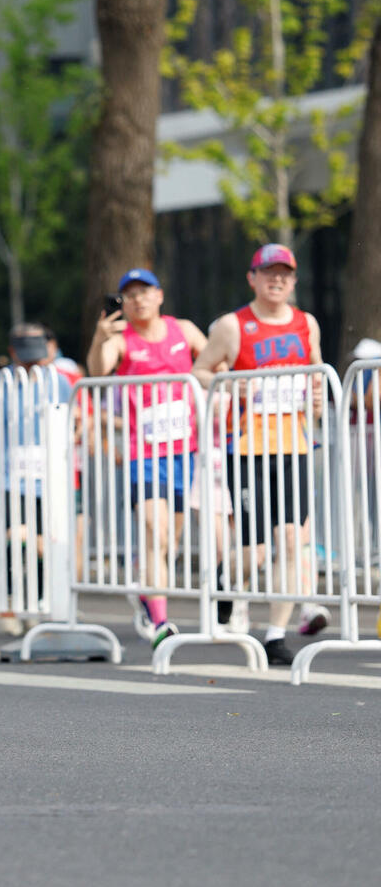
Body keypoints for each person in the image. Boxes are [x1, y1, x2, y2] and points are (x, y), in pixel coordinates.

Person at [192, 243, 324, 666]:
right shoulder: (234, 325)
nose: (277, 280)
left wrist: (319, 398)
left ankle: (275, 635)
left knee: (290, 539)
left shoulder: (306, 323)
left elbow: (317, 370)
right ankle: (226, 583)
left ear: (294, 280)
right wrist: (227, 383)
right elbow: (200, 368)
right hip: (247, 447)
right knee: (256, 548)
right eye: (269, 272)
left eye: (285, 273)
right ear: (253, 277)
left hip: (295, 445)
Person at [87, 268, 208, 650]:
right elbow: (97, 369)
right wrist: (99, 337)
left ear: (159, 295)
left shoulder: (184, 330)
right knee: (154, 530)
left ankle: (146, 593)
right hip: (145, 452)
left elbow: (214, 364)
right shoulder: (122, 338)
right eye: (130, 295)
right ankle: (161, 622)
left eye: (145, 292)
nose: (138, 300)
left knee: (170, 539)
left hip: (185, 449)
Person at [1, 323, 73, 632]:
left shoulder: (60, 383)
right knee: (15, 536)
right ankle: (13, 601)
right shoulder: (1, 383)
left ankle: (41, 599)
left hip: (49, 474)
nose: (32, 364)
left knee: (44, 540)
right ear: (13, 353)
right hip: (11, 475)